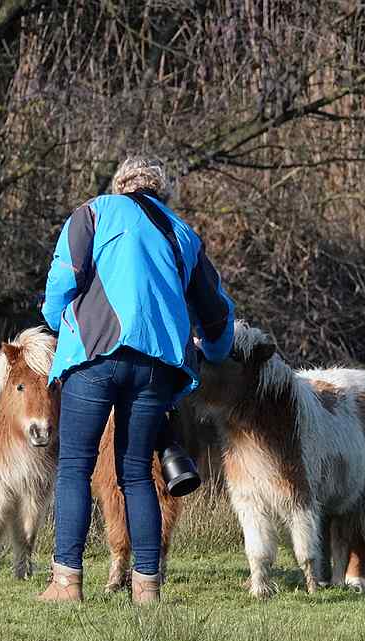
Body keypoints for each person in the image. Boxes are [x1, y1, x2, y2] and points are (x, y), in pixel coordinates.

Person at [38, 156, 235, 604]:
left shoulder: (92, 213)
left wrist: (61, 323)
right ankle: (147, 587)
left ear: (119, 185)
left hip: (95, 355)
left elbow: (61, 282)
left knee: (75, 466)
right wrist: (216, 352)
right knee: (136, 474)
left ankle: (67, 582)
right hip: (156, 367)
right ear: (159, 190)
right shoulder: (183, 234)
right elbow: (217, 312)